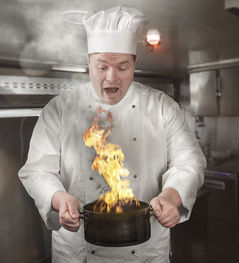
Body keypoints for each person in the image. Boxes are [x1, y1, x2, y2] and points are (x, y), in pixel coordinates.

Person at [18, 5, 206, 263]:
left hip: (145, 250)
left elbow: (190, 161)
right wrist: (59, 199)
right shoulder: (59, 110)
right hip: (79, 252)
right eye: (102, 66)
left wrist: (172, 196)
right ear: (88, 61)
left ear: (135, 63)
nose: (111, 77)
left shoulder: (162, 107)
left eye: (122, 67)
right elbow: (37, 170)